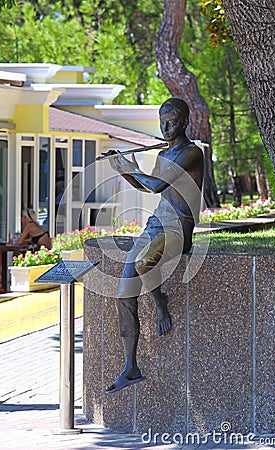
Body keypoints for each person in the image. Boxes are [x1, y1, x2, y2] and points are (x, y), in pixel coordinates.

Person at [105, 97, 204, 394]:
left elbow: (156, 185)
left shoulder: (190, 153)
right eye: (162, 120)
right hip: (156, 224)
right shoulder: (164, 155)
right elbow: (144, 186)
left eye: (172, 121)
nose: (165, 126)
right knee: (123, 293)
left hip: (179, 226)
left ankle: (159, 301)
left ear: (184, 122)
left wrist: (129, 165)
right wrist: (121, 168)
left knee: (142, 263)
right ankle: (130, 367)